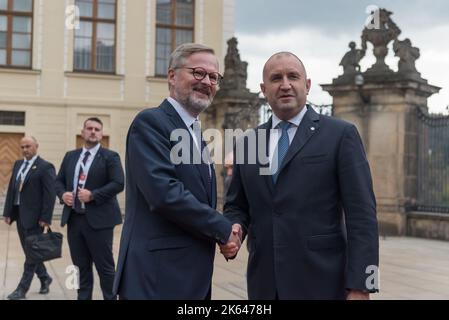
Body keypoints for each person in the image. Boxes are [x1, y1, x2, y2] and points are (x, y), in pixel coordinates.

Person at [223, 52, 379, 300]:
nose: (285, 84)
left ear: (307, 85)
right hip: (264, 283)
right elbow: (236, 205)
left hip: (323, 282)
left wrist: (362, 285)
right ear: (264, 89)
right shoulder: (248, 142)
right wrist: (234, 229)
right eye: (276, 78)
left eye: (293, 76)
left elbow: (363, 216)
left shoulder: (340, 135)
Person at [113, 43, 241, 300]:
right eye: (198, 73)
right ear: (172, 75)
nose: (207, 81)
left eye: (213, 77)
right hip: (157, 277)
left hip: (189, 276)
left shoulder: (196, 134)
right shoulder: (151, 122)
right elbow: (164, 193)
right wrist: (222, 228)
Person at [55, 117, 124, 300]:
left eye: (97, 129)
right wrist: (63, 194)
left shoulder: (110, 157)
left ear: (101, 134)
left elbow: (118, 183)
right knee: (79, 267)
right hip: (74, 219)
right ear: (83, 132)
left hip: (100, 221)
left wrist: (93, 195)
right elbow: (58, 181)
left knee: (105, 268)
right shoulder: (71, 156)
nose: (93, 131)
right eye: (90, 128)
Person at [3, 136, 56, 300]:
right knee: (30, 252)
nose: (25, 149)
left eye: (28, 146)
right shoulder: (18, 164)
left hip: (36, 218)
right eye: (22, 147)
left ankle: (22, 289)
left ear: (36, 146)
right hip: (20, 215)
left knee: (31, 254)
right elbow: (12, 189)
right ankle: (45, 277)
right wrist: (8, 212)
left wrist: (46, 218)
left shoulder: (45, 167)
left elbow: (50, 194)